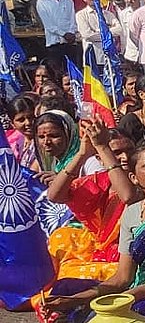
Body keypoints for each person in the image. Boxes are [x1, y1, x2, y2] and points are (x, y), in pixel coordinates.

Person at [45, 145, 145, 323]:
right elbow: (123, 278)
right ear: (134, 177)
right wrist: (76, 299)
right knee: (76, 300)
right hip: (137, 287)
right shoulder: (131, 212)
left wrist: (126, 298)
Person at [44, 121, 139, 283]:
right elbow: (54, 196)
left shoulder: (142, 180)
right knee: (60, 236)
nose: (125, 157)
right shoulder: (99, 181)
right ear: (100, 160)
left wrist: (103, 148)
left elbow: (128, 195)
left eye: (129, 151)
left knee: (90, 273)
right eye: (117, 152)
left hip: (125, 250)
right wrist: (82, 154)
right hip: (99, 247)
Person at [36, 0, 80, 68]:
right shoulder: (42, 2)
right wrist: (64, 34)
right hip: (54, 43)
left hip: (70, 43)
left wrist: (71, 33)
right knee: (57, 72)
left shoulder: (68, 1)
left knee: (73, 71)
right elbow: (48, 24)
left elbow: (73, 20)